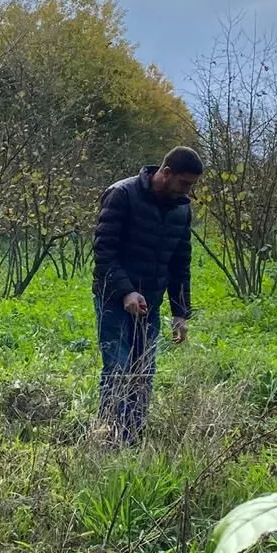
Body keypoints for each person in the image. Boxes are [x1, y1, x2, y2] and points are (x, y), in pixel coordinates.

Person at [91, 146, 203, 446]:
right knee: (117, 367)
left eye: (191, 185)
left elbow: (181, 261)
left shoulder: (181, 208)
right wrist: (126, 291)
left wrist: (180, 312)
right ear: (165, 173)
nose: (187, 190)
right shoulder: (122, 195)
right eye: (183, 183)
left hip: (149, 304)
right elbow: (104, 253)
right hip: (114, 299)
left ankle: (134, 436)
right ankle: (111, 436)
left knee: (143, 371)